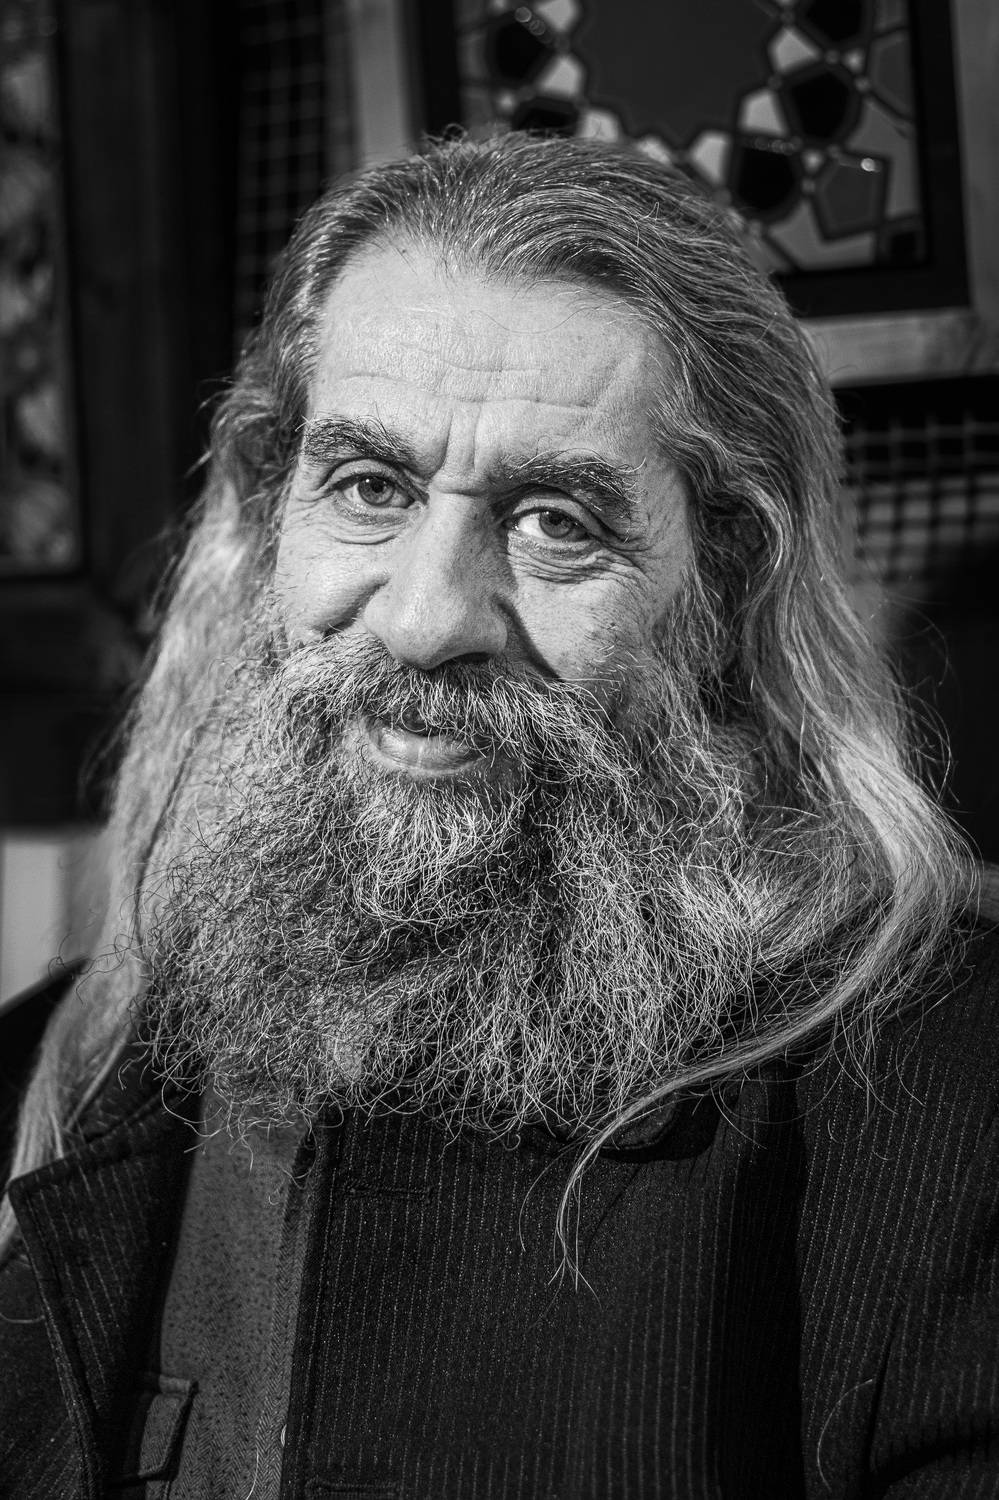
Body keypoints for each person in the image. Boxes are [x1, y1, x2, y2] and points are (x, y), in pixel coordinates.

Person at [0, 132, 996, 1499]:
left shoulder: (942, 1103)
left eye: (556, 522)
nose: (427, 619)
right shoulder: (63, 1071)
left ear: (725, 594)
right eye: (371, 488)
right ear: (267, 518)